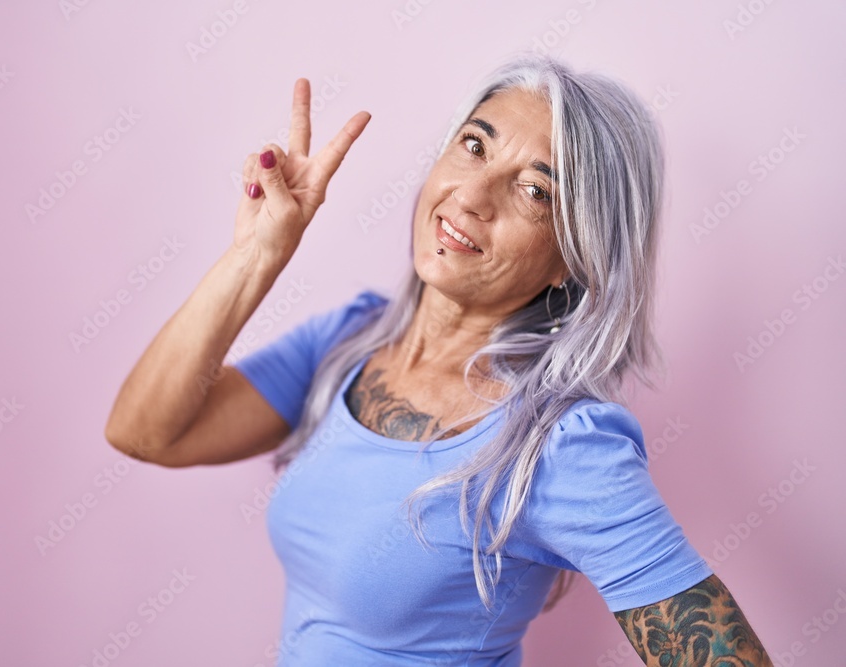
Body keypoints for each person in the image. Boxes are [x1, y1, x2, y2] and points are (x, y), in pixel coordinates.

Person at [105, 52, 774, 666]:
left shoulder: (560, 443)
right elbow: (145, 432)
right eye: (474, 145)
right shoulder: (349, 340)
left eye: (534, 190)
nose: (472, 196)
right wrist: (256, 255)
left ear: (574, 259)